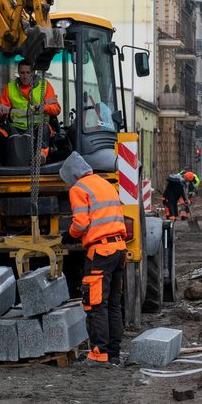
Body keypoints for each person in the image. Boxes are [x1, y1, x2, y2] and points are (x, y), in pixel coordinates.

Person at [59, 151, 126, 366]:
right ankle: (113, 354)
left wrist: (68, 236)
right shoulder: (104, 183)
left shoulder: (79, 188)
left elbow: (80, 223)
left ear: (72, 176)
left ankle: (98, 354)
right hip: (119, 248)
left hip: (100, 252)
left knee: (95, 304)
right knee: (113, 304)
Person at [0, 59, 61, 165]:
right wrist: (2, 111)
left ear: (33, 73)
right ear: (18, 73)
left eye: (28, 72)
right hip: (15, 128)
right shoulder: (10, 88)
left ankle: (40, 156)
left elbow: (56, 109)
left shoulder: (45, 86)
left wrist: (44, 107)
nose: (25, 76)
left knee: (44, 128)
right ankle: (6, 165)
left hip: (37, 126)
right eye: (22, 73)